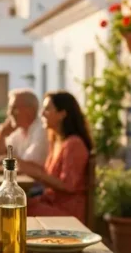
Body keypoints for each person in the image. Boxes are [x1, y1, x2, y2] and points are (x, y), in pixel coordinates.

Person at [17, 91, 93, 221]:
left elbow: (69, 186)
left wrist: (36, 173)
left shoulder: (74, 143)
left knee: (15, 210)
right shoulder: (56, 140)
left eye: (47, 109)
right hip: (51, 202)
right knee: (12, 205)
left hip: (67, 210)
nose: (41, 113)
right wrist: (23, 166)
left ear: (62, 114)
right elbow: (49, 174)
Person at [0, 89, 48, 164]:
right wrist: (2, 133)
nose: (10, 113)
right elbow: (1, 155)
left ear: (30, 110)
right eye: (9, 108)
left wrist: (3, 158)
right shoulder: (19, 131)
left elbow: (29, 163)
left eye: (14, 108)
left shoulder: (42, 129)